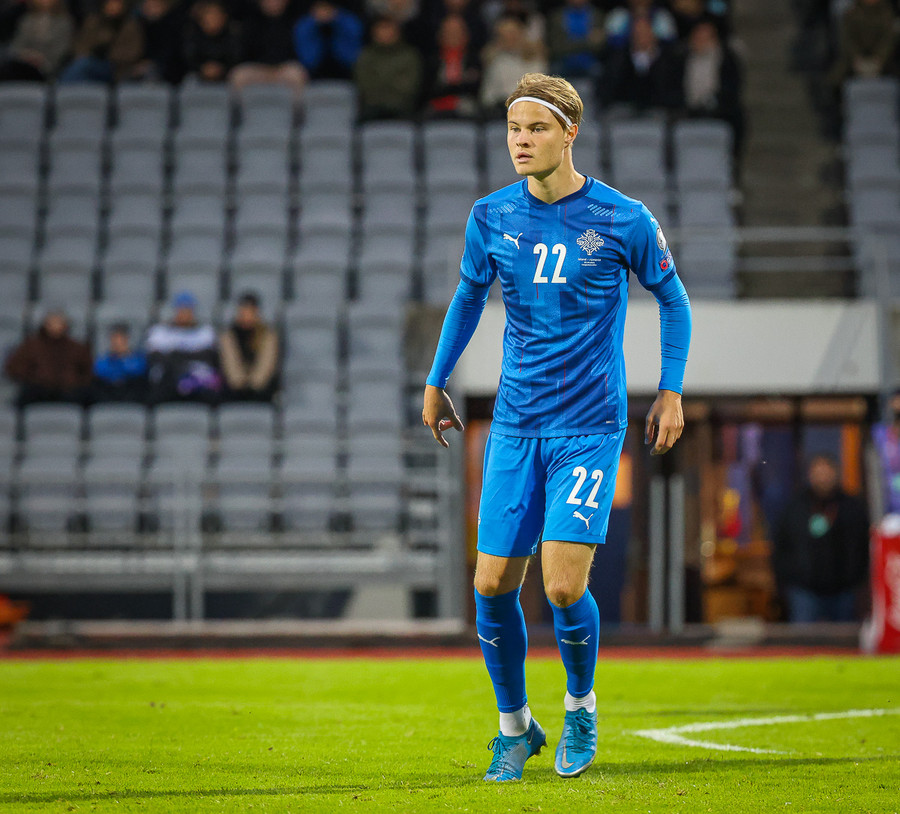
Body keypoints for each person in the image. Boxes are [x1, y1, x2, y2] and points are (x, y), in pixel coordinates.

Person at [421, 72, 691, 782]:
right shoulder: (490, 215)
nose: (521, 141)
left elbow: (674, 300)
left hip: (589, 426)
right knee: (490, 585)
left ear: (570, 132)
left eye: (536, 128)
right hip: (516, 425)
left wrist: (670, 391)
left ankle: (580, 705)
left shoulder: (622, 217)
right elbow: (467, 298)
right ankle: (515, 729)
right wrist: (436, 379)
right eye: (514, 129)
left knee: (564, 587)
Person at [773, 454, 870, 623]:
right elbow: (780, 546)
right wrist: (788, 580)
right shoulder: (794, 508)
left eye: (827, 473)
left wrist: (856, 578)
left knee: (844, 637)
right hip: (803, 590)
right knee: (803, 636)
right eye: (818, 473)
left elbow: (862, 546)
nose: (823, 478)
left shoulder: (852, 507)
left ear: (836, 474)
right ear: (810, 475)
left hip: (844, 590)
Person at [145, 291, 222, 404]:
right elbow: (154, 357)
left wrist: (177, 355)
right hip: (169, 381)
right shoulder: (160, 332)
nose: (184, 314)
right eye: (181, 310)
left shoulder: (205, 332)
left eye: (188, 310)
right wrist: (187, 355)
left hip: (198, 382)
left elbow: (209, 356)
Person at [4, 309, 93, 406]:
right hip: (39, 389)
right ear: (45, 324)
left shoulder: (77, 347)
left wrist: (74, 381)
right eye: (52, 323)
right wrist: (33, 377)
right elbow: (13, 367)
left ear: (65, 325)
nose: (55, 326)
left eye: (59, 323)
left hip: (69, 391)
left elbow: (87, 371)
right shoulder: (31, 346)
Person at [602, 15, 681, 112]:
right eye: (637, 33)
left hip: (660, 111)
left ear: (653, 33)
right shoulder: (618, 59)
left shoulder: (669, 60)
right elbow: (608, 88)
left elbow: (674, 90)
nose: (641, 36)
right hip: (623, 112)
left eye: (645, 32)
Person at [230, 0, 307, 96]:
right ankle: (239, 106)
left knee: (297, 74)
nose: (273, 3)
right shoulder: (250, 21)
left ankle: (298, 106)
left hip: (282, 68)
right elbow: (245, 51)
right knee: (238, 75)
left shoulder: (294, 21)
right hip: (258, 67)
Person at [354, 14, 423, 121]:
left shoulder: (410, 55)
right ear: (373, 32)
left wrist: (382, 83)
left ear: (397, 32)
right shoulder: (365, 56)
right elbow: (364, 84)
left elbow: (410, 86)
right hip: (372, 108)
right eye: (381, 28)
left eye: (388, 28)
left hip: (403, 108)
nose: (384, 33)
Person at [58, 0, 143, 83]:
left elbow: (133, 52)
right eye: (110, 3)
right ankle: (62, 88)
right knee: (81, 68)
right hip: (90, 62)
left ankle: (60, 88)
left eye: (117, 3)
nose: (113, 7)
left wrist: (107, 54)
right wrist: (93, 53)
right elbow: (80, 45)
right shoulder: (93, 22)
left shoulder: (130, 26)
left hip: (115, 68)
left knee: (83, 66)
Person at [479, 14, 546, 115]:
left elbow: (538, 92)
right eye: (504, 35)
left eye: (512, 34)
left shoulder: (535, 60)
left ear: (521, 34)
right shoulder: (495, 62)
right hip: (498, 111)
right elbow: (487, 95)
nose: (509, 38)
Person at [218, 291, 279, 402]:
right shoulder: (229, 335)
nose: (246, 314)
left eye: (249, 311)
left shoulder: (267, 334)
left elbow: (267, 362)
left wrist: (254, 384)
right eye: (243, 310)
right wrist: (239, 383)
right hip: (236, 388)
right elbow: (229, 362)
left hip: (260, 388)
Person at [0, 0, 74, 82]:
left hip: (48, 69)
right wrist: (27, 55)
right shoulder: (27, 21)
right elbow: (16, 46)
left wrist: (41, 60)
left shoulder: (64, 23)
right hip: (23, 64)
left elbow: (61, 51)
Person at [829, 0, 897, 84]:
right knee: (835, 77)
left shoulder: (887, 13)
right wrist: (856, 58)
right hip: (854, 59)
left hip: (883, 59)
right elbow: (847, 40)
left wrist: (879, 59)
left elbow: (888, 40)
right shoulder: (851, 13)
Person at [292, 0, 363, 81]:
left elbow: (351, 56)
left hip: (345, 74)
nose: (324, 12)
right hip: (313, 76)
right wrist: (313, 22)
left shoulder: (347, 21)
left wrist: (338, 18)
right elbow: (308, 60)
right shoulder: (305, 25)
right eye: (321, 8)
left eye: (327, 9)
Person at [182, 0, 240, 84]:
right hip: (197, 77)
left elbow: (237, 58)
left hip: (228, 78)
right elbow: (187, 59)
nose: (212, 19)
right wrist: (202, 69)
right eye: (209, 15)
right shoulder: (191, 35)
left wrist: (222, 69)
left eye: (216, 15)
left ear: (224, 17)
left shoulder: (233, 35)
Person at [546, 0, 604, 80]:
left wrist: (570, 43)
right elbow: (557, 48)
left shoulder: (597, 16)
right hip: (563, 64)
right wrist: (587, 42)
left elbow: (599, 46)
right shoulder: (557, 16)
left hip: (589, 64)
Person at [92, 323, 147, 403]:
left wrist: (124, 357)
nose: (117, 342)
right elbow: (99, 371)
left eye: (120, 338)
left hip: (129, 390)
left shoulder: (137, 358)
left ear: (126, 340)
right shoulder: (104, 359)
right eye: (114, 338)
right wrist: (114, 359)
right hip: (109, 389)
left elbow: (139, 370)